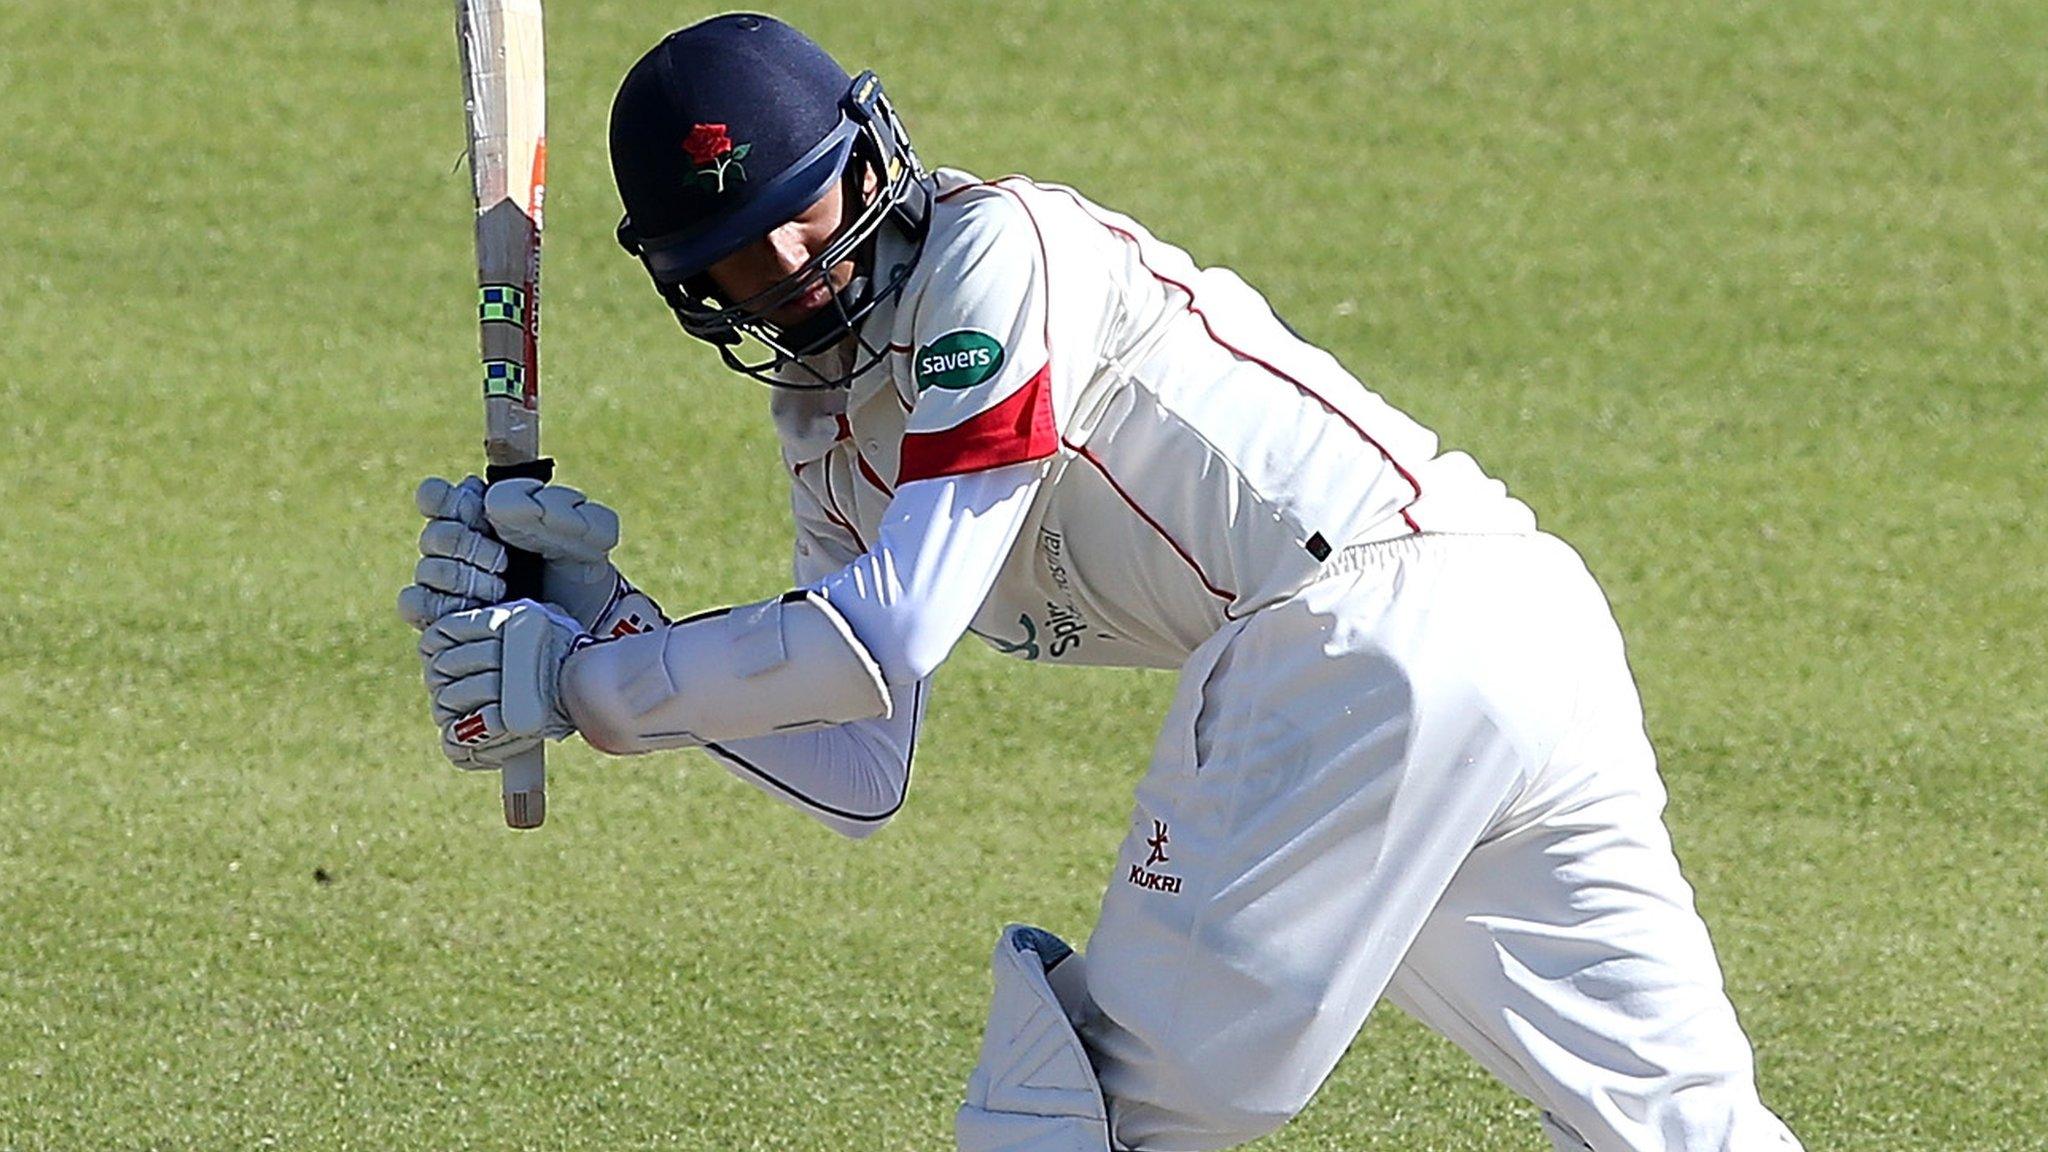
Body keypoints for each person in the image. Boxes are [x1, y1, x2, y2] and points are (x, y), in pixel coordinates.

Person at [400, 14, 1804, 1152]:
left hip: (1367, 638)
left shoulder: (993, 254)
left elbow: (884, 636)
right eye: (732, 254)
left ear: (869, 154)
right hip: (1496, 641)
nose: (788, 265)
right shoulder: (829, 443)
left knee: (1070, 1121)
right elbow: (855, 761)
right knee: (1680, 1131)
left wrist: (589, 686)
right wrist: (606, 618)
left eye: (798, 206)